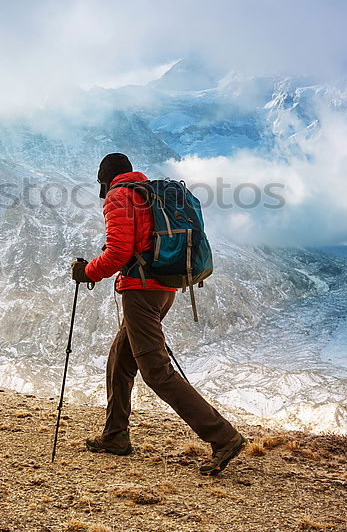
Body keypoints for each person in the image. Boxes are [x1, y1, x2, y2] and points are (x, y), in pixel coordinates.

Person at [71, 153, 247, 476]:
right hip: (165, 289)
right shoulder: (147, 192)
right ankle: (115, 435)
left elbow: (118, 253)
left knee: (156, 372)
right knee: (120, 360)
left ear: (106, 180)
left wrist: (87, 272)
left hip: (140, 292)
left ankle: (223, 436)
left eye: (101, 184)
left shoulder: (118, 197)